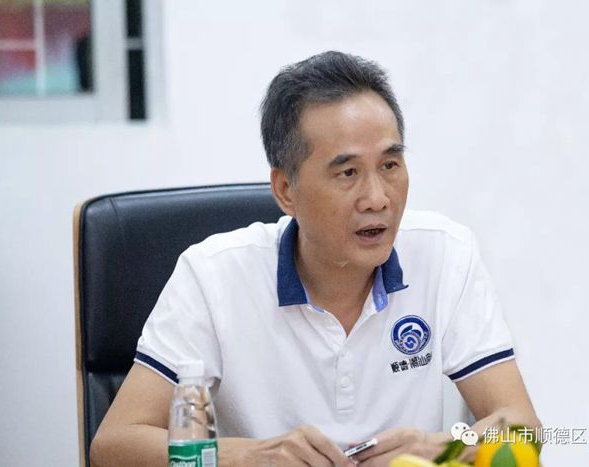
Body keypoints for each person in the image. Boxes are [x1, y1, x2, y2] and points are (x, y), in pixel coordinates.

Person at [90, 51, 541, 467]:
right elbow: (114, 445)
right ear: (286, 190)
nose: (377, 198)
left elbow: (525, 427)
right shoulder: (214, 275)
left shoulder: (445, 253)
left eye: (389, 165)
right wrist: (252, 456)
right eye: (347, 172)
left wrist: (444, 448)